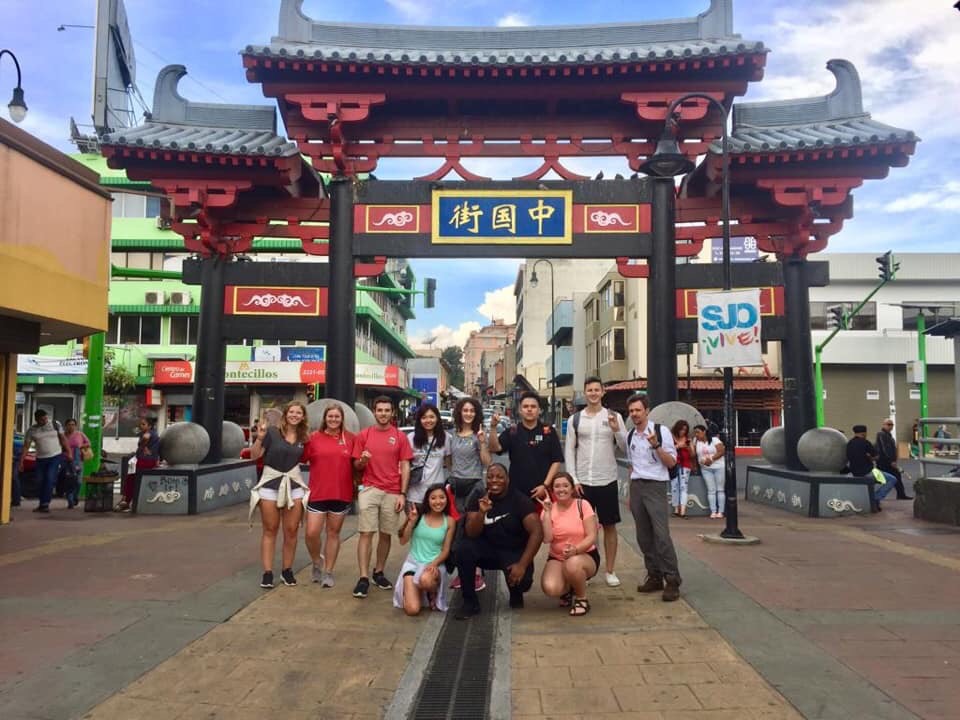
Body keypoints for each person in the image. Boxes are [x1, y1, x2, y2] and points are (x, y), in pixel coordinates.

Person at [454, 463, 543, 619]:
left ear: (507, 480)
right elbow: (471, 533)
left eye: (500, 477)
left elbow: (537, 532)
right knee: (463, 549)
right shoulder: (478, 497)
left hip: (513, 550)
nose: (494, 481)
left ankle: (516, 592)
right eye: (490, 477)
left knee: (523, 583)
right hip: (487, 550)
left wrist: (522, 565)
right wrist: (481, 513)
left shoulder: (520, 500)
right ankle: (470, 603)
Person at [563, 376, 626, 588]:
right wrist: (573, 479)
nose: (593, 393)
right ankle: (586, 571)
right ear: (585, 392)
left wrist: (617, 429)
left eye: (596, 390)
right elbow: (569, 451)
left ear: (602, 392)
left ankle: (610, 570)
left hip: (606, 479)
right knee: (582, 530)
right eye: (589, 390)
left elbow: (626, 449)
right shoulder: (575, 420)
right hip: (582, 482)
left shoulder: (614, 416)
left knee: (609, 526)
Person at [351, 396, 414, 599]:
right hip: (370, 489)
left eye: (387, 410)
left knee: (386, 534)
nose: (383, 414)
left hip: (393, 491)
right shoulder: (364, 435)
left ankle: (379, 571)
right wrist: (362, 460)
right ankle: (363, 577)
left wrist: (403, 494)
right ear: (374, 411)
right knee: (366, 533)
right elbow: (356, 466)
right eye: (380, 410)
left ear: (392, 412)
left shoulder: (400, 437)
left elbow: (405, 466)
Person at [625, 394, 682, 602]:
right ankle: (654, 574)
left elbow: (671, 463)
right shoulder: (630, 435)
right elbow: (632, 466)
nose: (634, 414)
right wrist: (631, 493)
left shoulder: (661, 431)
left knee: (661, 535)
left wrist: (657, 445)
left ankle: (672, 579)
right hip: (638, 486)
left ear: (647, 411)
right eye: (631, 411)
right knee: (643, 536)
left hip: (656, 485)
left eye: (638, 410)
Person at [249, 402, 310, 589]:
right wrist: (259, 439)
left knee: (291, 530)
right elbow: (253, 456)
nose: (294, 415)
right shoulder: (272, 432)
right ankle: (267, 572)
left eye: (298, 412)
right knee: (270, 529)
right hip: (270, 484)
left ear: (303, 416)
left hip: (294, 486)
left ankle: (287, 570)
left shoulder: (305, 437)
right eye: (291, 412)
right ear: (285, 414)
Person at [302, 404, 355, 588]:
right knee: (311, 533)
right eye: (330, 416)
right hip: (318, 493)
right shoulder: (313, 438)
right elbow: (300, 457)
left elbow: (357, 465)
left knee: (333, 533)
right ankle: (317, 561)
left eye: (337, 417)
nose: (333, 419)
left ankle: (328, 571)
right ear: (325, 418)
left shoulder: (350, 439)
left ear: (342, 419)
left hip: (341, 494)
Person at [539, 472, 600, 617]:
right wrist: (547, 513)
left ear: (572, 488)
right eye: (557, 487)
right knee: (551, 588)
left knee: (572, 564)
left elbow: (592, 535)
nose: (561, 490)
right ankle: (568, 589)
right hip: (558, 557)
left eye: (565, 486)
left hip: (584, 555)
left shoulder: (583, 505)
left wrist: (576, 549)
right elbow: (547, 539)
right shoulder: (548, 509)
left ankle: (581, 599)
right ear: (552, 490)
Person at [447, 397, 491, 592]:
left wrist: (482, 442)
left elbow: (487, 461)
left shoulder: (479, 435)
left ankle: (477, 573)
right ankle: (462, 572)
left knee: (472, 529)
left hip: (474, 485)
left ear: (476, 414)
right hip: (456, 486)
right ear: (459, 412)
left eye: (472, 411)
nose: (468, 414)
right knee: (457, 530)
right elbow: (448, 460)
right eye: (465, 410)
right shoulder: (452, 435)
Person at [488, 390, 563, 500]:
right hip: (516, 492)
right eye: (525, 406)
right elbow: (495, 448)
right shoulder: (512, 431)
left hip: (543, 491)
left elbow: (556, 460)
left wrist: (545, 485)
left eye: (533, 406)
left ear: (539, 410)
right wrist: (493, 427)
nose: (529, 409)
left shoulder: (548, 431)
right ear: (520, 410)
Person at [394, 483, 455, 615]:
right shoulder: (419, 515)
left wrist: (434, 564)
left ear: (447, 499)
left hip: (434, 566)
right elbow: (403, 541)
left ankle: (430, 592)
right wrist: (410, 522)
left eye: (441, 497)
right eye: (433, 498)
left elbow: (445, 550)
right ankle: (412, 590)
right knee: (412, 610)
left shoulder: (449, 521)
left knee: (426, 580)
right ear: (427, 500)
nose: (438, 501)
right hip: (413, 564)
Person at [19, 409, 69, 513]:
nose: (45, 421)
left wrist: (69, 452)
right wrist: (21, 461)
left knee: (49, 479)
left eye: (46, 418)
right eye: (42, 419)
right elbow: (26, 447)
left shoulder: (55, 424)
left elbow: (63, 438)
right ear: (36, 420)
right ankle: (42, 503)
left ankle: (45, 503)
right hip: (40, 459)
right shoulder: (32, 430)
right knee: (39, 480)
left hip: (55, 456)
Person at [407, 404, 450, 506]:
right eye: (424, 417)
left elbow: (449, 464)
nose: (428, 420)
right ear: (419, 420)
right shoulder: (411, 438)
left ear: (437, 419)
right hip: (415, 494)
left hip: (436, 495)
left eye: (431, 417)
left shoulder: (446, 437)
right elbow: (405, 465)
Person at [846, 424, 896, 512]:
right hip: (869, 472)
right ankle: (876, 499)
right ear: (864, 433)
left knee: (874, 482)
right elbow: (876, 457)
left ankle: (871, 499)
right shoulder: (866, 443)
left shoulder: (850, 443)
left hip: (855, 472)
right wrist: (870, 457)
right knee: (891, 479)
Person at [117, 417, 159, 512]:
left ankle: (126, 500)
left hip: (146, 460)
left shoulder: (149, 434)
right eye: (141, 424)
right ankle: (126, 499)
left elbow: (145, 440)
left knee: (131, 477)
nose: (141, 426)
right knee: (130, 477)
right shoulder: (149, 433)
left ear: (150, 426)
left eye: (144, 424)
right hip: (144, 459)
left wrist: (143, 445)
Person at [693, 423, 725, 519]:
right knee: (711, 490)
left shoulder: (714, 440)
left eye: (698, 432)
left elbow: (721, 451)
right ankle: (713, 511)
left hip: (718, 467)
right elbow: (694, 454)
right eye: (695, 433)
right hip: (706, 468)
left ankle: (721, 511)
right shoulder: (696, 442)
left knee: (720, 489)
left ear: (704, 432)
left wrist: (711, 459)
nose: (696, 435)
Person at [876, 418, 911, 500]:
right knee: (890, 477)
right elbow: (885, 449)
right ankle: (900, 494)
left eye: (891, 425)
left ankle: (901, 494)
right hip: (884, 461)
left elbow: (890, 449)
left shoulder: (888, 436)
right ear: (883, 425)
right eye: (888, 424)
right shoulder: (881, 435)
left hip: (887, 461)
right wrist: (890, 461)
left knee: (894, 476)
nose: (890, 426)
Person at [62, 419, 91, 509]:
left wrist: (80, 446)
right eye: (69, 424)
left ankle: (75, 496)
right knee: (69, 481)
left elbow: (88, 443)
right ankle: (70, 500)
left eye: (73, 424)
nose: (71, 426)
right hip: (66, 461)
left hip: (78, 460)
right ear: (66, 426)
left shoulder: (79, 434)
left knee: (78, 481)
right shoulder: (62, 436)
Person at [671, 420, 693, 518]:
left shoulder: (688, 439)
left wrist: (688, 447)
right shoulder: (671, 438)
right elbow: (668, 449)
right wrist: (678, 446)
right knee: (674, 487)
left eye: (685, 430)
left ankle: (683, 510)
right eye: (681, 429)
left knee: (684, 487)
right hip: (674, 464)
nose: (683, 432)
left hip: (685, 464)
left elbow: (693, 454)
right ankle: (676, 508)